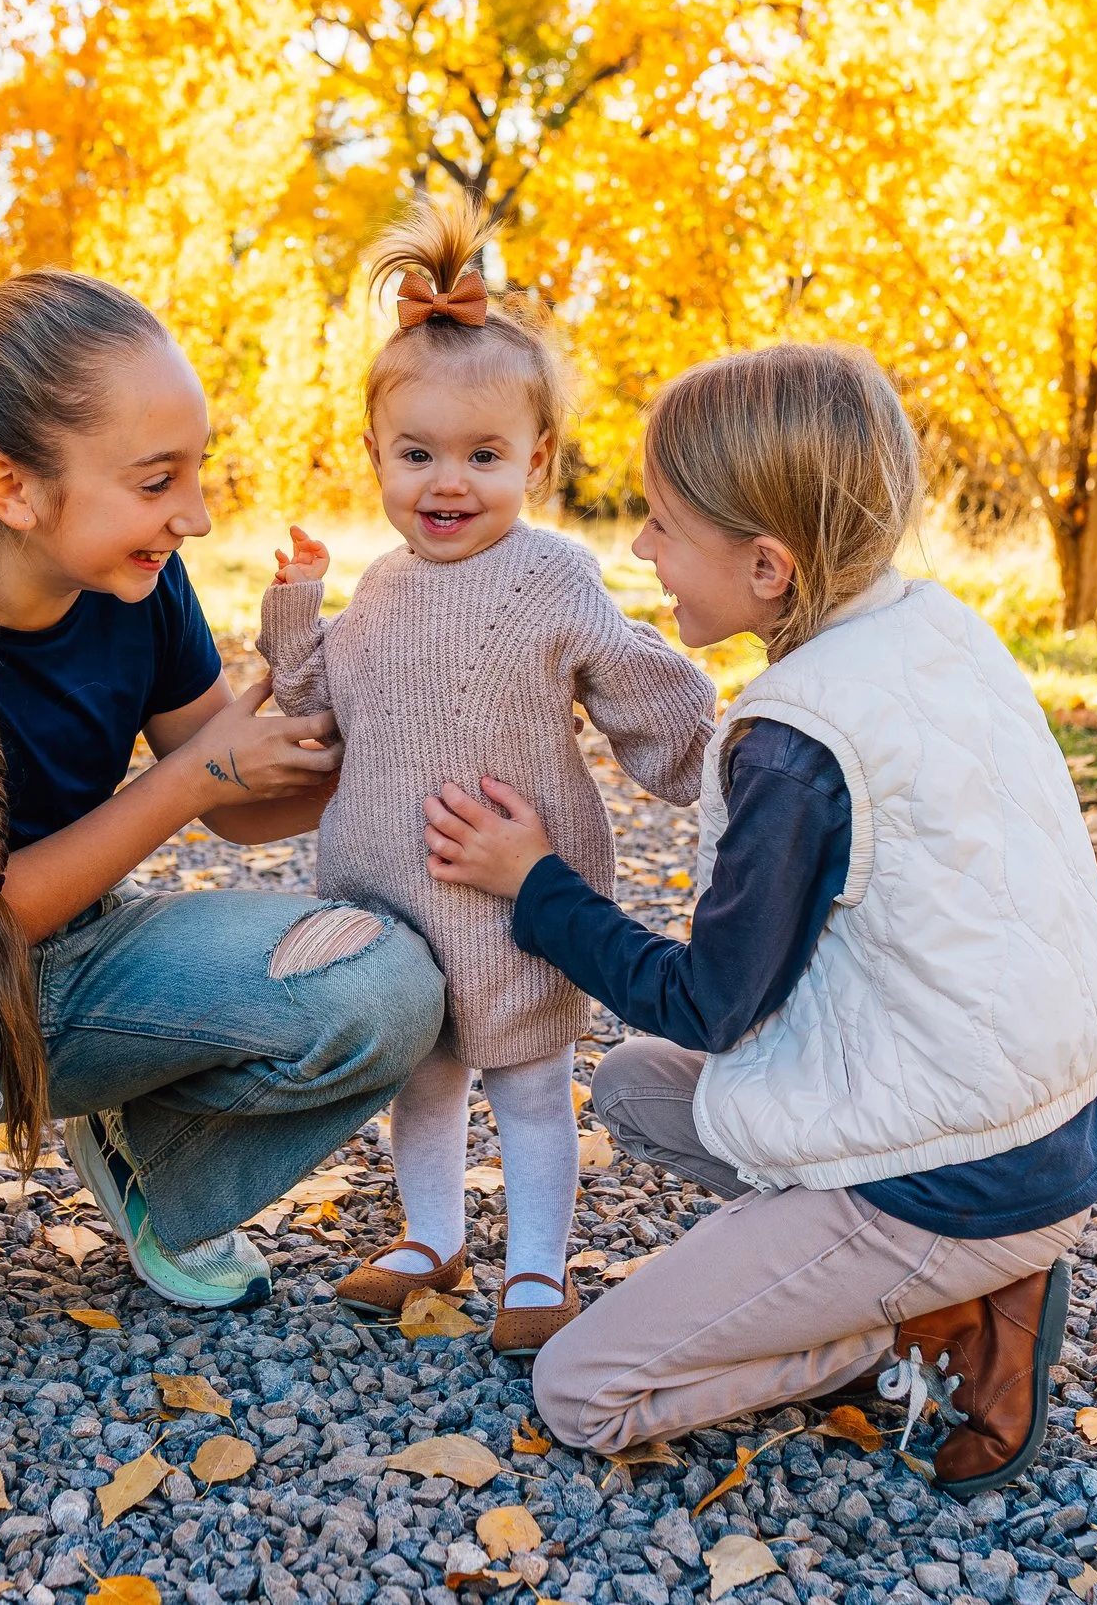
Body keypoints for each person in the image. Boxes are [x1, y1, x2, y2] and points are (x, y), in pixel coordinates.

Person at [420, 342, 1097, 1493]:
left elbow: (713, 1001)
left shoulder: (799, 744)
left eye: (660, 524)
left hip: (945, 1178)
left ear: (766, 565)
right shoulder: (930, 631)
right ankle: (934, 1274)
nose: (641, 549)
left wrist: (533, 881)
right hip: (1037, 1128)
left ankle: (918, 1321)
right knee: (638, 1086)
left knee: (585, 1388)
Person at [0, 269, 447, 1388]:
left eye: (196, 471)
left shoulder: (143, 582)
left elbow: (239, 802)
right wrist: (187, 780)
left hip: (90, 955)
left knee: (385, 985)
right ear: (12, 488)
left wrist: (373, 735)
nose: (194, 514)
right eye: (156, 481)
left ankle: (154, 1164)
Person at [256, 198, 714, 1358]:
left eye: (482, 455)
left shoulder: (553, 575)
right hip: (390, 892)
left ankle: (535, 1263)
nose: (444, 483)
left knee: (525, 1082)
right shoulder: (377, 588)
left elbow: (639, 682)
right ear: (375, 458)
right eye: (415, 455)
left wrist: (717, 765)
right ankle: (430, 1234)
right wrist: (294, 605)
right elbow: (316, 708)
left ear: (537, 460)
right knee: (424, 1078)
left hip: (513, 898)